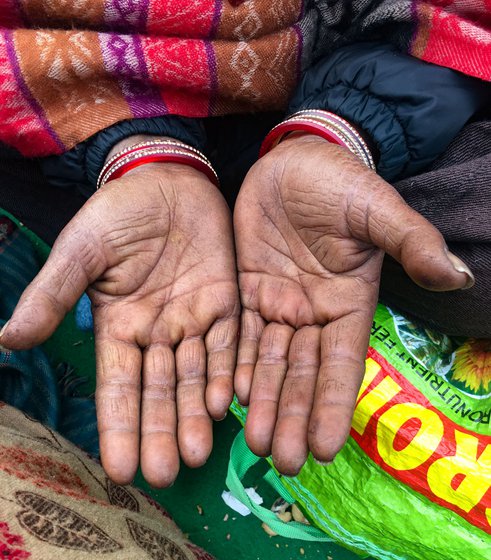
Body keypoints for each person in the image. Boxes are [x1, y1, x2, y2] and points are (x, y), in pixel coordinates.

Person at [0, 1, 490, 487]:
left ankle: (265, 196)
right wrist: (137, 153)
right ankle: (200, 206)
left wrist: (343, 130)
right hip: (89, 120)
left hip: (343, 69)